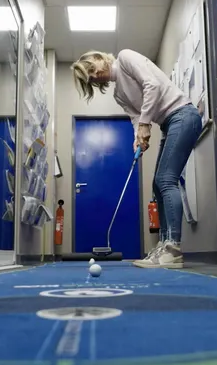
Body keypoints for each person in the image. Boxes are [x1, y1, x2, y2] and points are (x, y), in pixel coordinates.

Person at [71, 49, 202, 269]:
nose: (94, 78)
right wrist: (137, 138)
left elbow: (153, 85)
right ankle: (164, 245)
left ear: (98, 58)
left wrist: (145, 125)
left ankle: (173, 248)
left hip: (183, 115)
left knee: (166, 180)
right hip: (169, 124)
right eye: (90, 80)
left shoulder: (125, 58)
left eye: (91, 71)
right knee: (157, 185)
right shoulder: (118, 95)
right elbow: (135, 118)